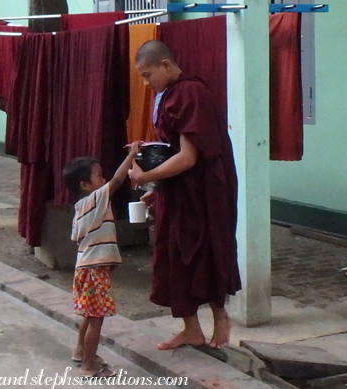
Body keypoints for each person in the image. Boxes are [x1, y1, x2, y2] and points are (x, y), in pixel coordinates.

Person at [128, 40, 241, 350]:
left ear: (166, 65)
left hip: (204, 193)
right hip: (179, 190)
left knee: (206, 248)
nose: (146, 83)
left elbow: (189, 157)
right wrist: (157, 187)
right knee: (173, 255)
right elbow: (171, 149)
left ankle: (221, 316)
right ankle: (191, 329)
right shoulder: (169, 95)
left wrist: (144, 177)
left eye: (147, 74)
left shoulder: (190, 93)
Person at [62, 141, 141, 378]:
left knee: (90, 314)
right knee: (96, 319)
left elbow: (76, 238)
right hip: (94, 271)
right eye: (98, 176)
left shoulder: (80, 208)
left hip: (86, 268)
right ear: (85, 185)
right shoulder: (96, 199)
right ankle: (89, 366)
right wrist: (132, 155)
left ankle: (80, 352)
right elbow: (117, 180)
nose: (104, 179)